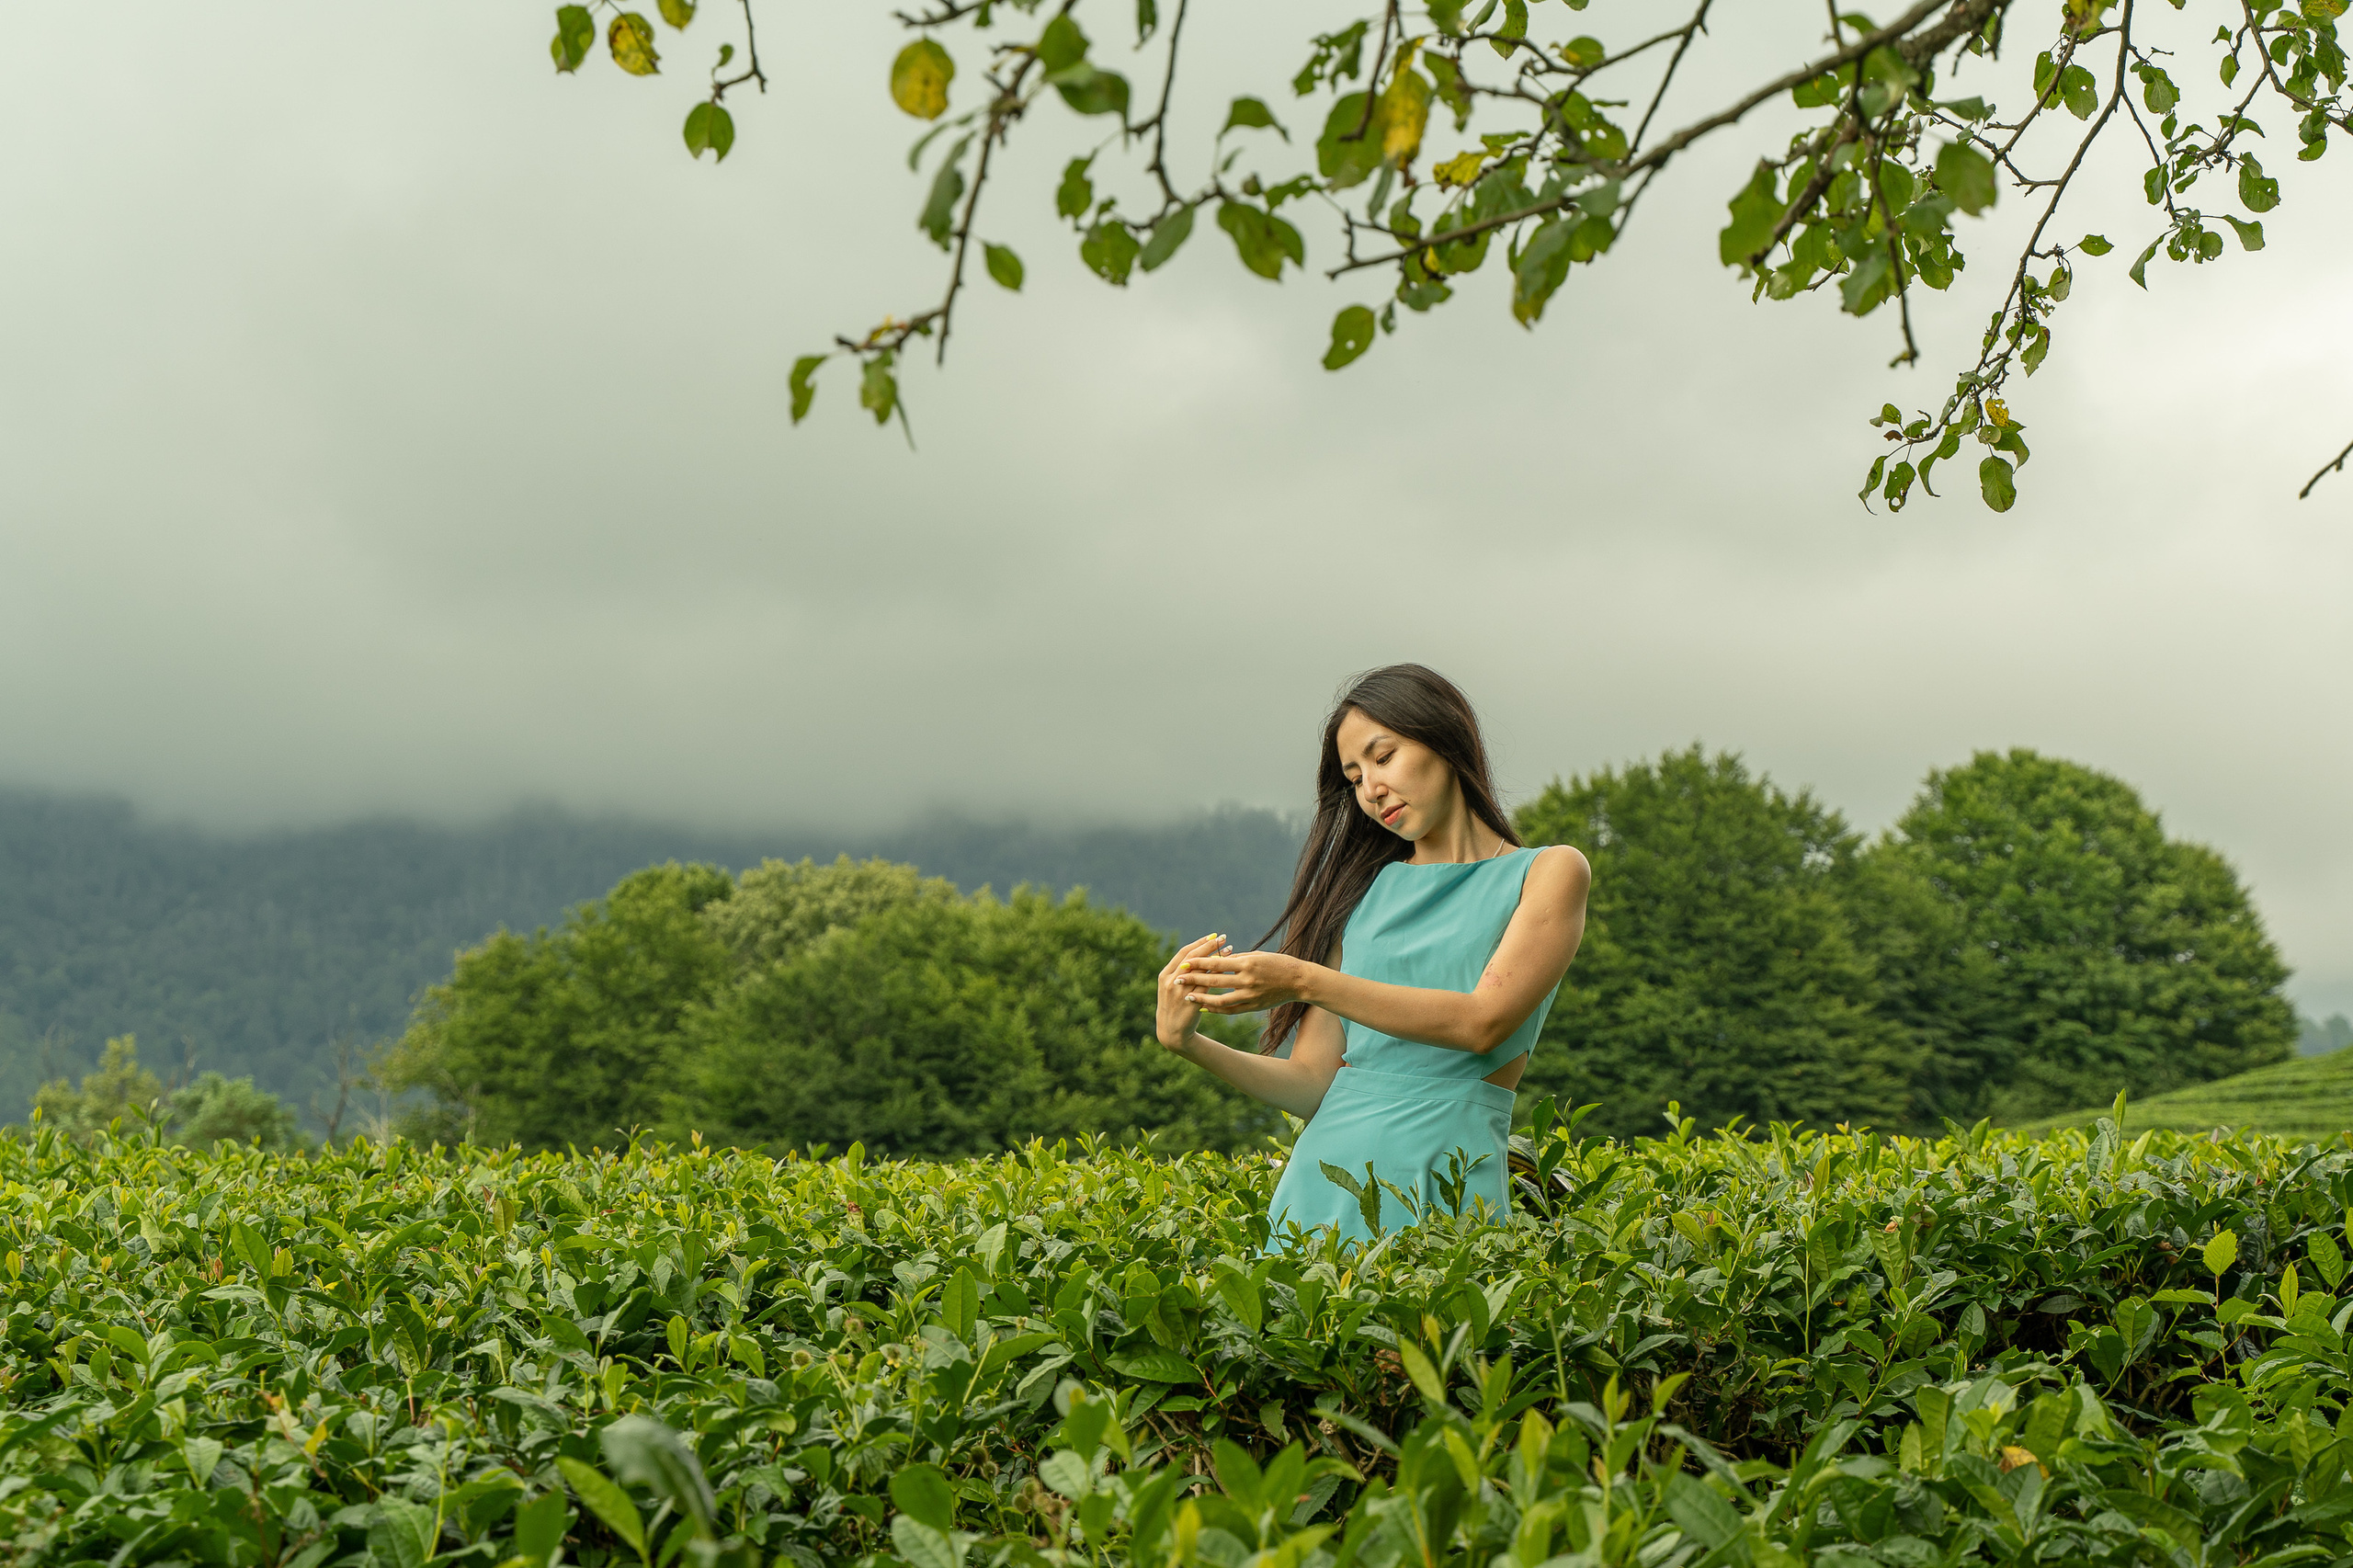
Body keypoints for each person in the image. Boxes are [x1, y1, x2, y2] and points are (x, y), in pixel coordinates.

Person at [1154, 664, 1590, 1245]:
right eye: (1355, 777)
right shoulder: (1366, 894)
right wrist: (1187, 1043)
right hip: (1321, 1189)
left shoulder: (1549, 871)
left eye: (1383, 758)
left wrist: (1304, 980)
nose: (1370, 790)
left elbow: (1483, 1023)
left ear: (1445, 737)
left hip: (1446, 1179)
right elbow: (1313, 1085)